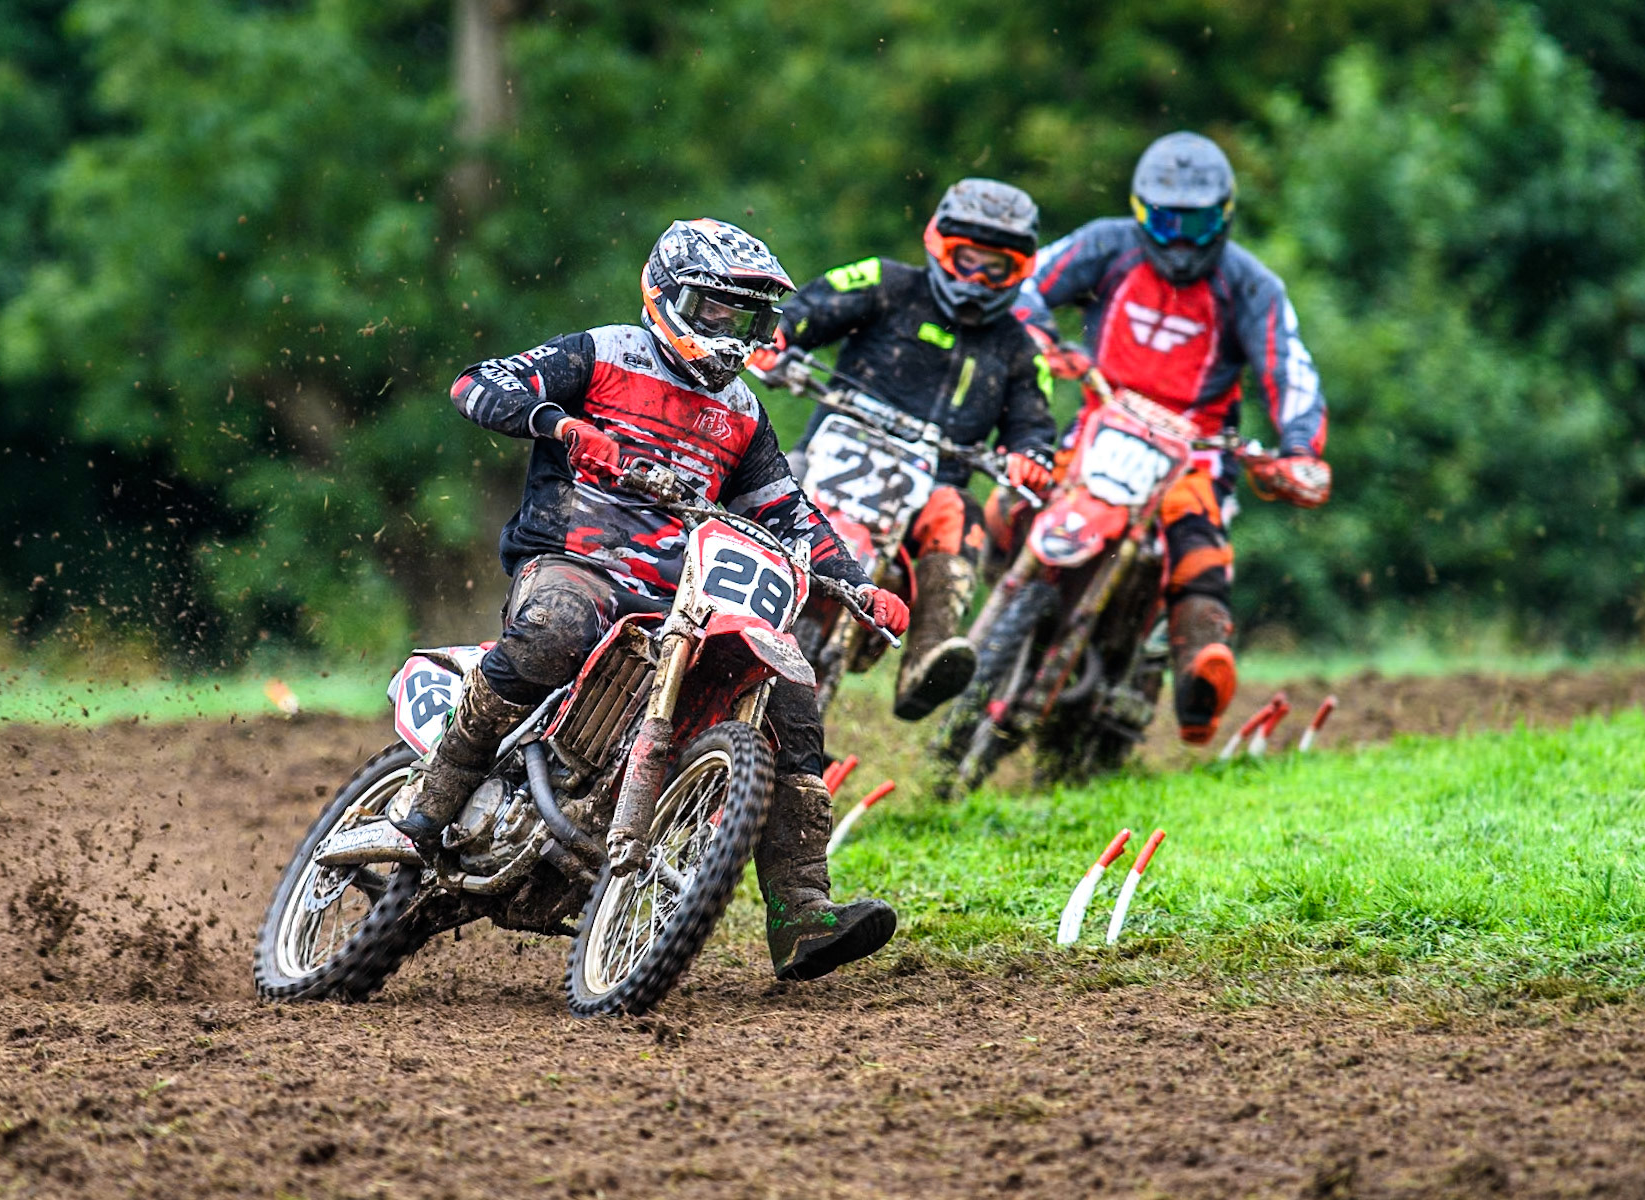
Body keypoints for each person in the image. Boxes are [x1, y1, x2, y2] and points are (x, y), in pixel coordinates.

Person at [395, 218, 909, 982]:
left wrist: (860, 583)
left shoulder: (741, 411)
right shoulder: (602, 353)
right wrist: (562, 426)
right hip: (575, 560)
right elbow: (478, 384)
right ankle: (433, 800)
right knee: (556, 630)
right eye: (714, 310)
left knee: (790, 692)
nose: (729, 333)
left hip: (681, 590)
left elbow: (786, 510)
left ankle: (801, 912)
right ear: (666, 295)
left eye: (747, 319)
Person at [1009, 131, 1332, 745]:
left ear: (1225, 217)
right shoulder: (1106, 245)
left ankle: (1198, 675)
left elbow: (1288, 368)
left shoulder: (1250, 284)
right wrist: (1042, 333)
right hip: (1100, 425)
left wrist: (1298, 449)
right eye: (1166, 221)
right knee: (1016, 495)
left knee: (1196, 544)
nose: (1181, 240)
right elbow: (1024, 282)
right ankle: (999, 613)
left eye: (1198, 223)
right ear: (1140, 213)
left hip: (1197, 454)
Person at [757, 178, 1058, 721]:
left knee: (961, 514)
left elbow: (1034, 425)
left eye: (994, 268)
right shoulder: (885, 282)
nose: (977, 278)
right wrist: (779, 340)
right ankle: (695, 608)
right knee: (765, 489)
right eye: (968, 260)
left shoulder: (1019, 348)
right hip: (827, 456)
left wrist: (1030, 457)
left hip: (929, 493)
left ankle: (926, 659)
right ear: (941, 247)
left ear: (1019, 271)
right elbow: (808, 307)